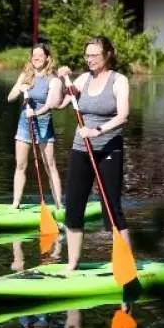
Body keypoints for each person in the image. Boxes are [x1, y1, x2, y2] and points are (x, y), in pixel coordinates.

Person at [55, 36, 131, 272]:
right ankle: (72, 264)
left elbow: (123, 116)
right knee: (73, 207)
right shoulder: (81, 79)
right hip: (81, 149)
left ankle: (125, 262)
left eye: (94, 55)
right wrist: (60, 80)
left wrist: (96, 131)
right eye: (87, 55)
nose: (90, 59)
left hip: (109, 148)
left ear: (107, 55)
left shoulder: (119, 81)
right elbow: (59, 104)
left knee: (111, 207)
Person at [7, 43, 63, 210]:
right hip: (25, 123)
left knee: (49, 166)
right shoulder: (26, 75)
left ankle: (59, 204)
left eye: (40, 55)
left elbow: (50, 104)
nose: (36, 58)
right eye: (34, 55)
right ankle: (15, 203)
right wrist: (20, 89)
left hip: (43, 123)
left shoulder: (53, 80)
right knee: (20, 165)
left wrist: (36, 113)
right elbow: (10, 97)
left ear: (47, 58)